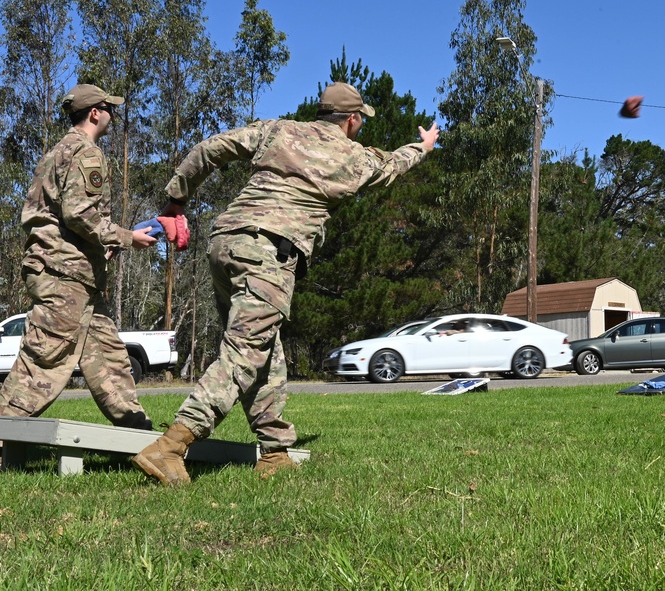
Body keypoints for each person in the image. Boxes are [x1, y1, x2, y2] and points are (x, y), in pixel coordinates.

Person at [133, 82, 439, 485]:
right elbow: (394, 166)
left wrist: (177, 200)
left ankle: (274, 452)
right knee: (245, 353)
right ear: (352, 119)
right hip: (269, 253)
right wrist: (424, 146)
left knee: (265, 350)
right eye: (360, 120)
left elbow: (210, 148)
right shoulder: (353, 156)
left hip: (226, 242)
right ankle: (171, 446)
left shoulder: (277, 129)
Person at [0, 84, 157, 445]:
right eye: (109, 109)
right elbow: (78, 213)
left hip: (77, 276)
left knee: (111, 360)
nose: (113, 116)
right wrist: (126, 237)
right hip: (64, 276)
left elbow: (62, 216)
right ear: (94, 113)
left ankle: (142, 438)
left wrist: (102, 248)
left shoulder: (57, 151)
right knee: (43, 365)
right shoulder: (87, 153)